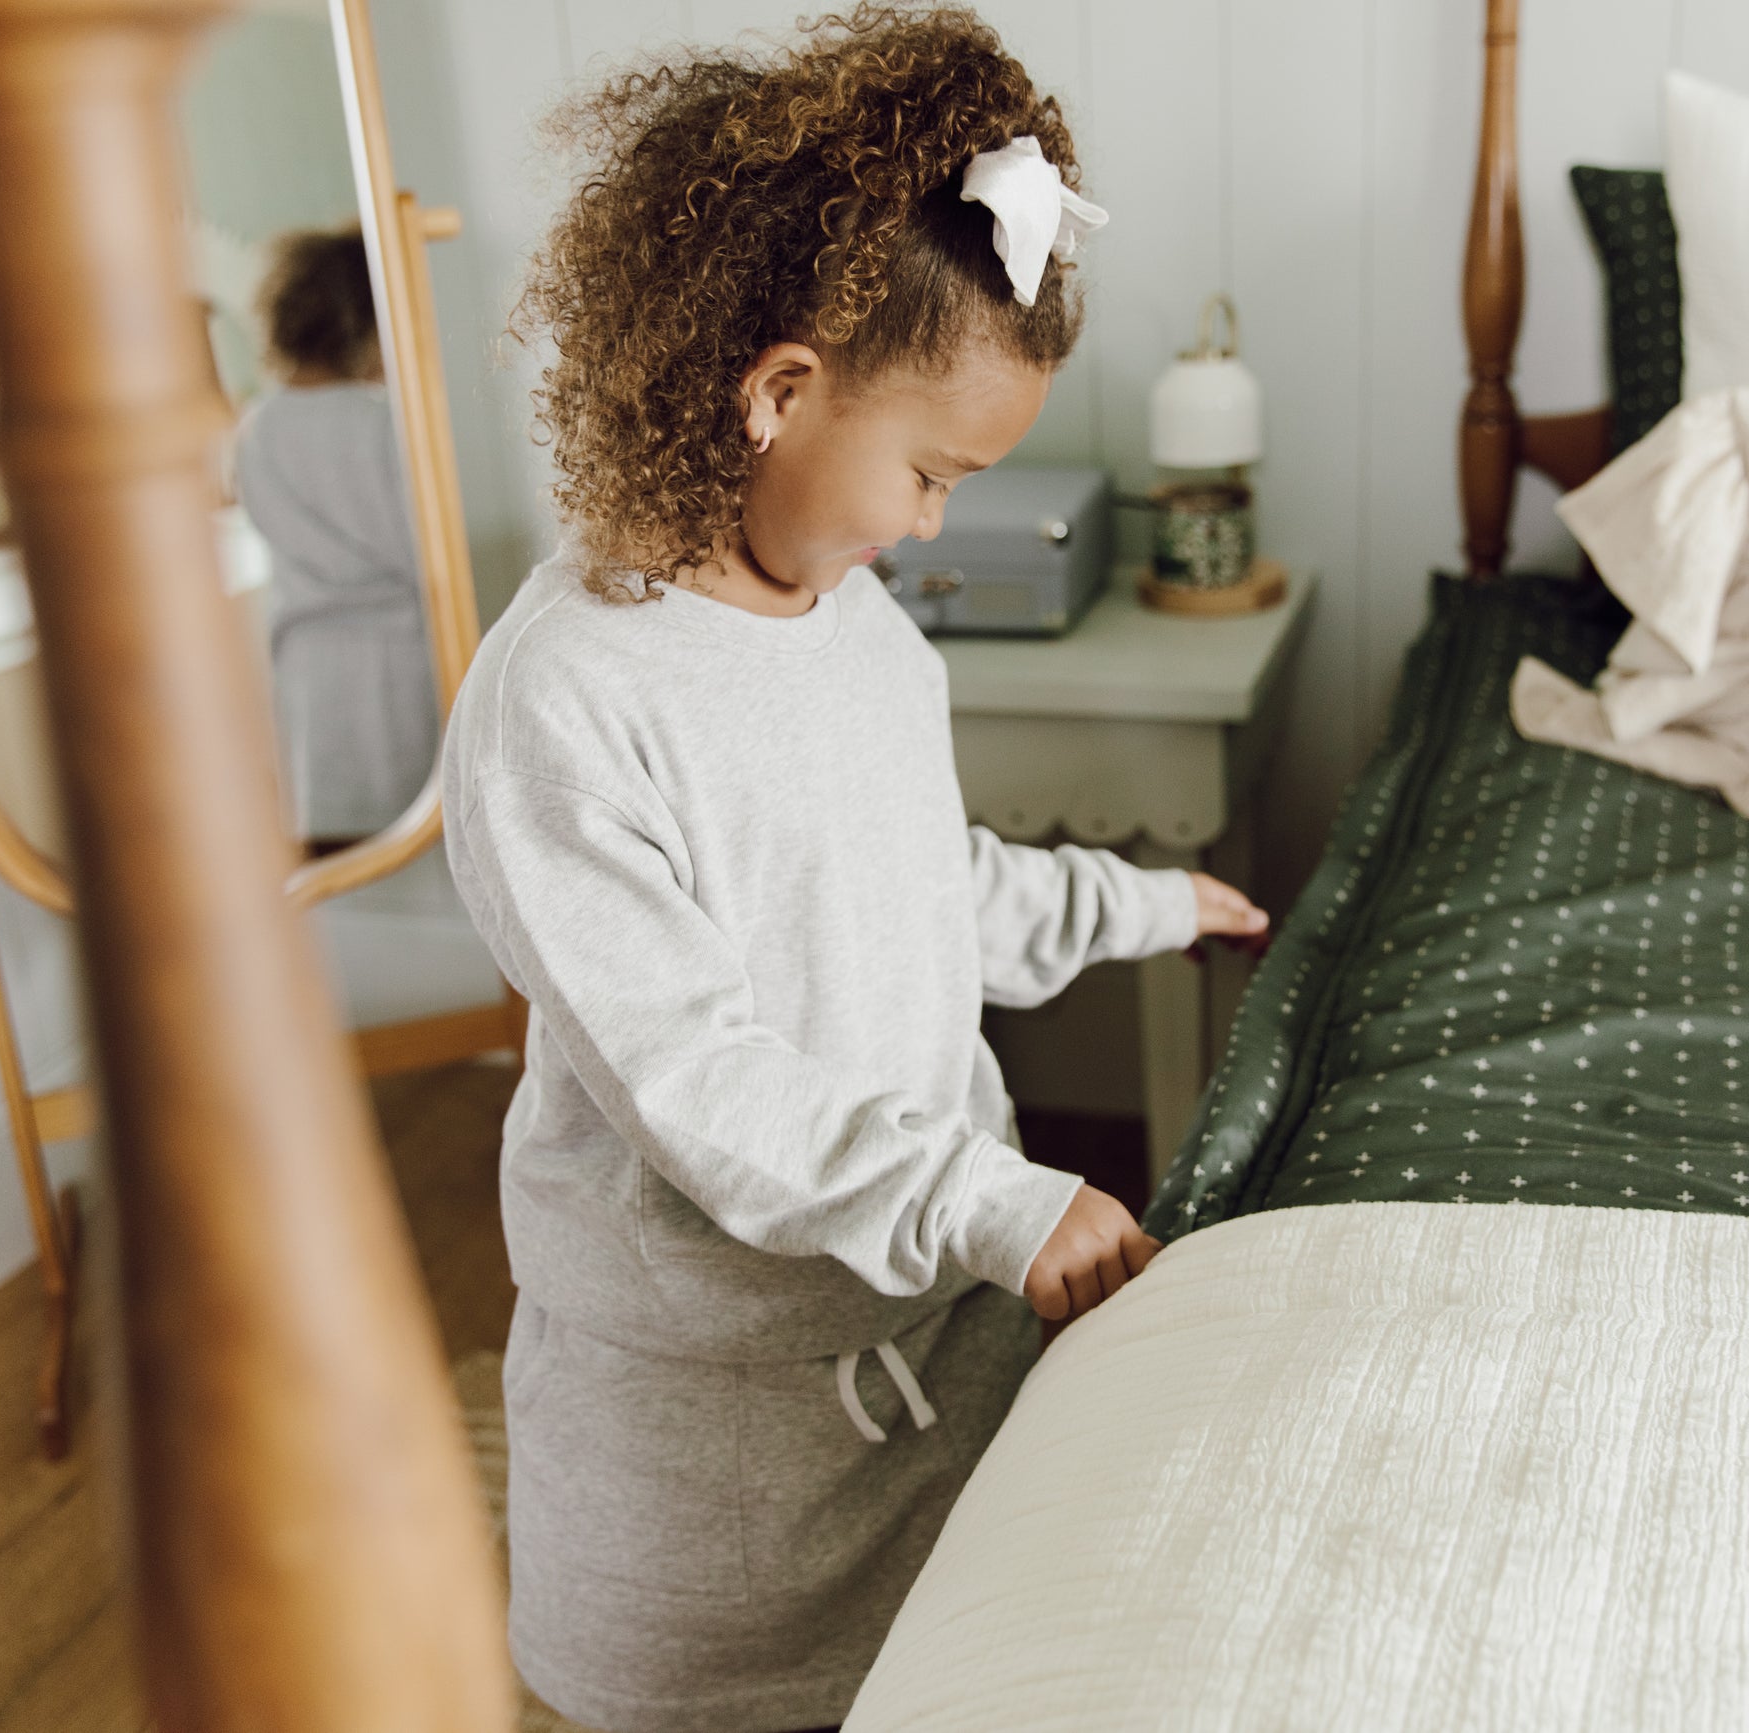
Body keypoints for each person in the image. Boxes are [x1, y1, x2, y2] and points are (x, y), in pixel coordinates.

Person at [439, 8, 1269, 1729]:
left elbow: (920, 887)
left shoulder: (860, 633)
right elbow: (694, 1073)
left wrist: (1143, 905)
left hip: (930, 1348)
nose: (931, 523)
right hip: (712, 1442)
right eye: (930, 471)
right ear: (779, 392)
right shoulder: (570, 701)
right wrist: (986, 1197)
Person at [232, 224, 437, 847]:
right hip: (403, 661)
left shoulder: (254, 430)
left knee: (338, 847)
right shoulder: (385, 427)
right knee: (417, 841)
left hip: (310, 670)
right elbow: (417, 549)